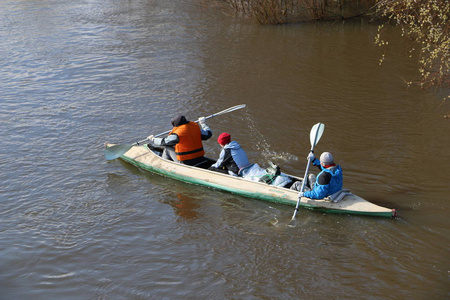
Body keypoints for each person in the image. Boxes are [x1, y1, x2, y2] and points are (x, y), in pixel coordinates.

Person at [148, 114, 212, 166]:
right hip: (199, 158)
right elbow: (208, 134)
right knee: (175, 146)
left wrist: (153, 139)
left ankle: (163, 164)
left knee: (168, 147)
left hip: (186, 162)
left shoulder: (178, 134)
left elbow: (164, 142)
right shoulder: (195, 128)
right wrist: (203, 123)